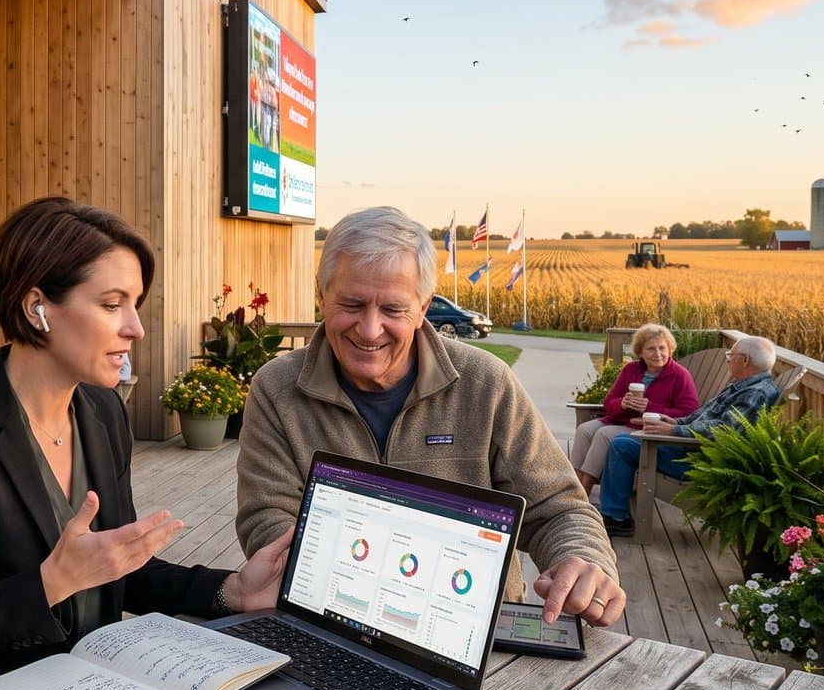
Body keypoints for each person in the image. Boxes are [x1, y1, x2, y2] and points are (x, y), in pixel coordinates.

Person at [0, 197, 291, 690]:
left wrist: (231, 591)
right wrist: (51, 583)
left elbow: (118, 568)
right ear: (37, 308)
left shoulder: (102, 411)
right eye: (112, 304)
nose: (135, 328)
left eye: (134, 305)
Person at [235, 206, 624, 627]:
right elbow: (268, 518)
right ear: (321, 295)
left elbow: (559, 508)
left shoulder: (486, 384)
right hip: (330, 618)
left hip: (474, 631)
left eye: (393, 310)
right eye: (351, 304)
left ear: (423, 308)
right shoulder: (277, 389)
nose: (369, 329)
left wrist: (582, 559)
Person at [595, 336, 781, 536]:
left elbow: (725, 429)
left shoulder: (755, 393)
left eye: (731, 355)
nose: (728, 360)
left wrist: (673, 431)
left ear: (745, 360)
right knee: (623, 441)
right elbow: (703, 415)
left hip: (700, 460)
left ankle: (617, 518)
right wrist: (675, 422)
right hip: (693, 446)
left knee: (622, 446)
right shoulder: (745, 386)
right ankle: (613, 512)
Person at [568, 323, 698, 492]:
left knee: (603, 434)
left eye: (662, 348)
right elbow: (609, 402)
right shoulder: (631, 369)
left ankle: (583, 493)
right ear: (640, 352)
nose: (658, 354)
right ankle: (571, 487)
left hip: (648, 429)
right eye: (651, 349)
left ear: (670, 350)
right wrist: (622, 403)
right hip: (621, 421)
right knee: (584, 430)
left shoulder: (680, 375)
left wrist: (650, 408)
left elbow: (689, 413)